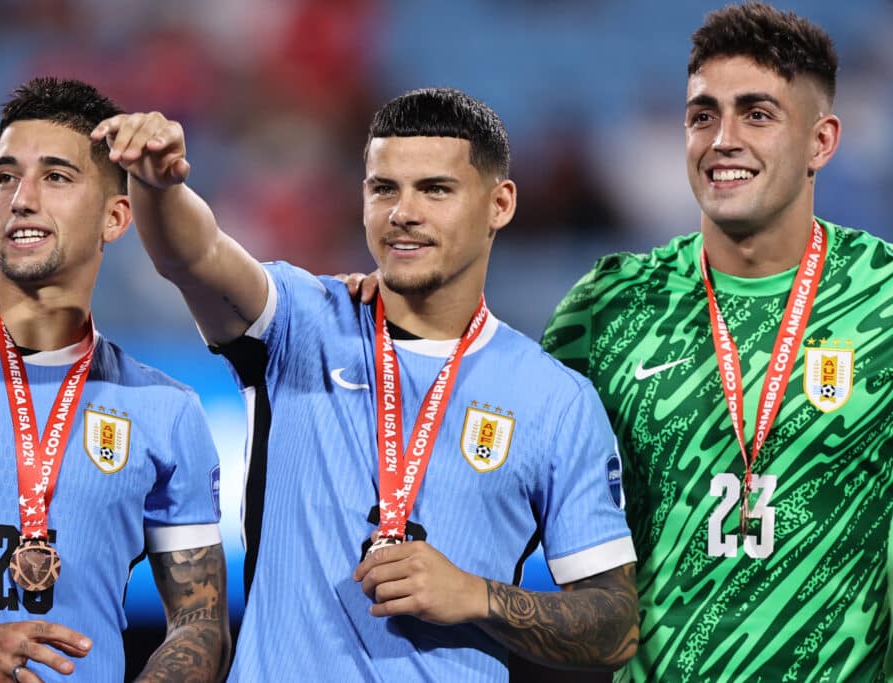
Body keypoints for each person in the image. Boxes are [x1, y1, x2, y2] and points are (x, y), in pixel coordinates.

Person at [93, 87, 638, 681]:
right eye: (384, 188)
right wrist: (156, 185)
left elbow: (614, 625)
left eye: (435, 189)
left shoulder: (555, 399)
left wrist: (476, 596)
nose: (403, 211)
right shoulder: (301, 322)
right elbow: (195, 255)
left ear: (499, 204)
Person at [541, 3, 893, 680]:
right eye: (703, 115)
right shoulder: (610, 306)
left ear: (822, 141)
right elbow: (504, 471)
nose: (722, 138)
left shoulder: (881, 299)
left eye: (757, 114)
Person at [0, 77, 230, 682]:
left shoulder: (167, 410)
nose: (21, 198)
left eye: (56, 177)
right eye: (5, 176)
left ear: (116, 219)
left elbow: (199, 624)